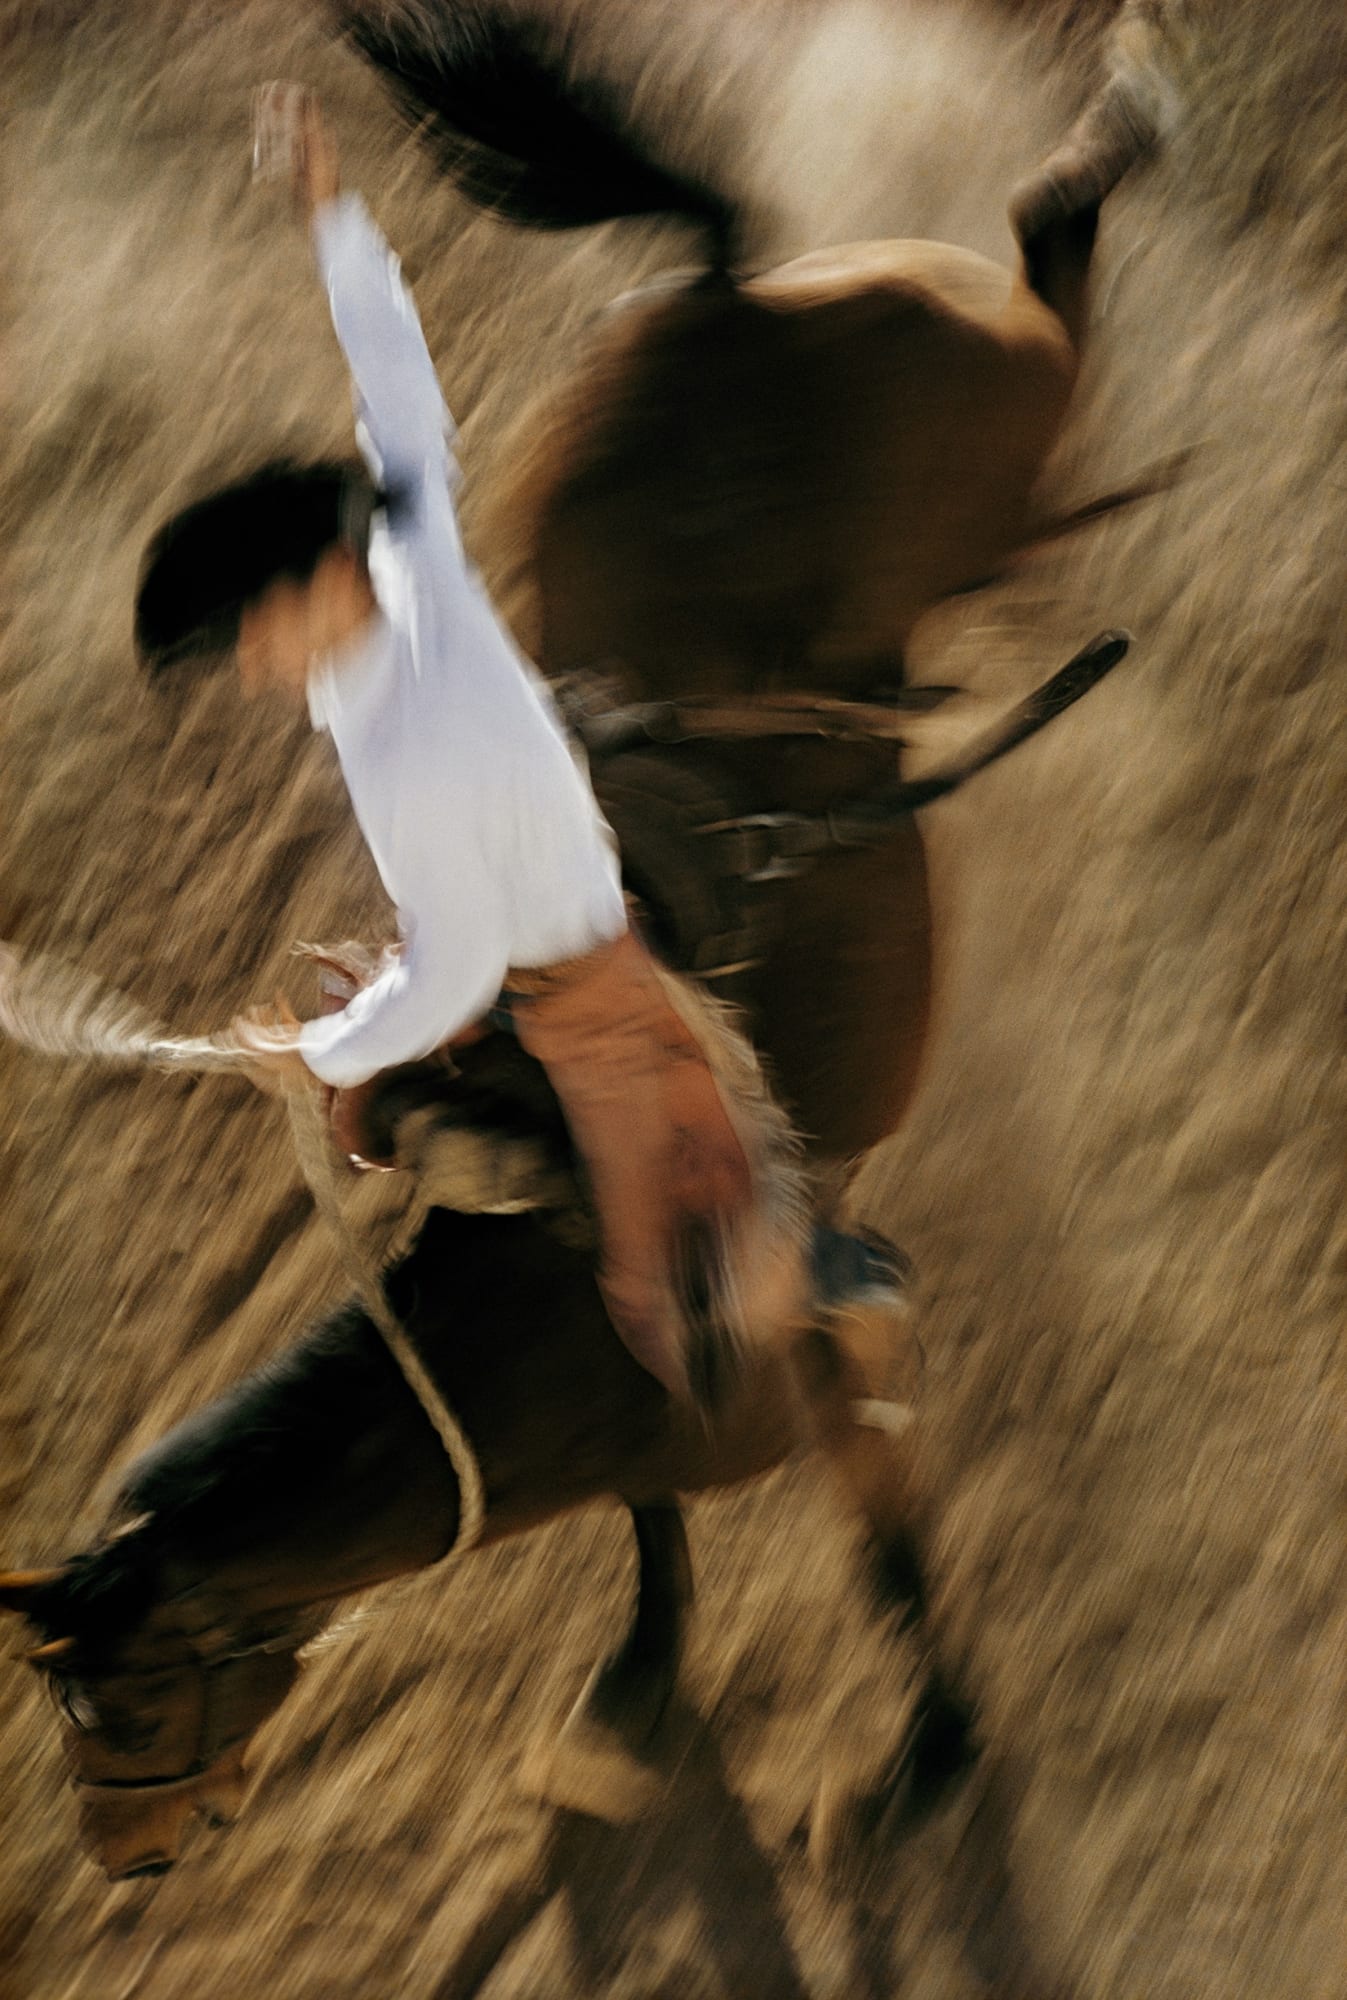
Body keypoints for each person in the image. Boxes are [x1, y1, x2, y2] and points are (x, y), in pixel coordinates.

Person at [134, 86, 804, 1402]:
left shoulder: (419, 751)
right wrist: (331, 213)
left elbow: (449, 979)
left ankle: (807, 1295)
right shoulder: (404, 545)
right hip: (530, 902)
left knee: (652, 1297)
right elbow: (396, 385)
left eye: (253, 638)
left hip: (580, 1007)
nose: (257, 671)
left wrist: (319, 1056)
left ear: (315, 584)